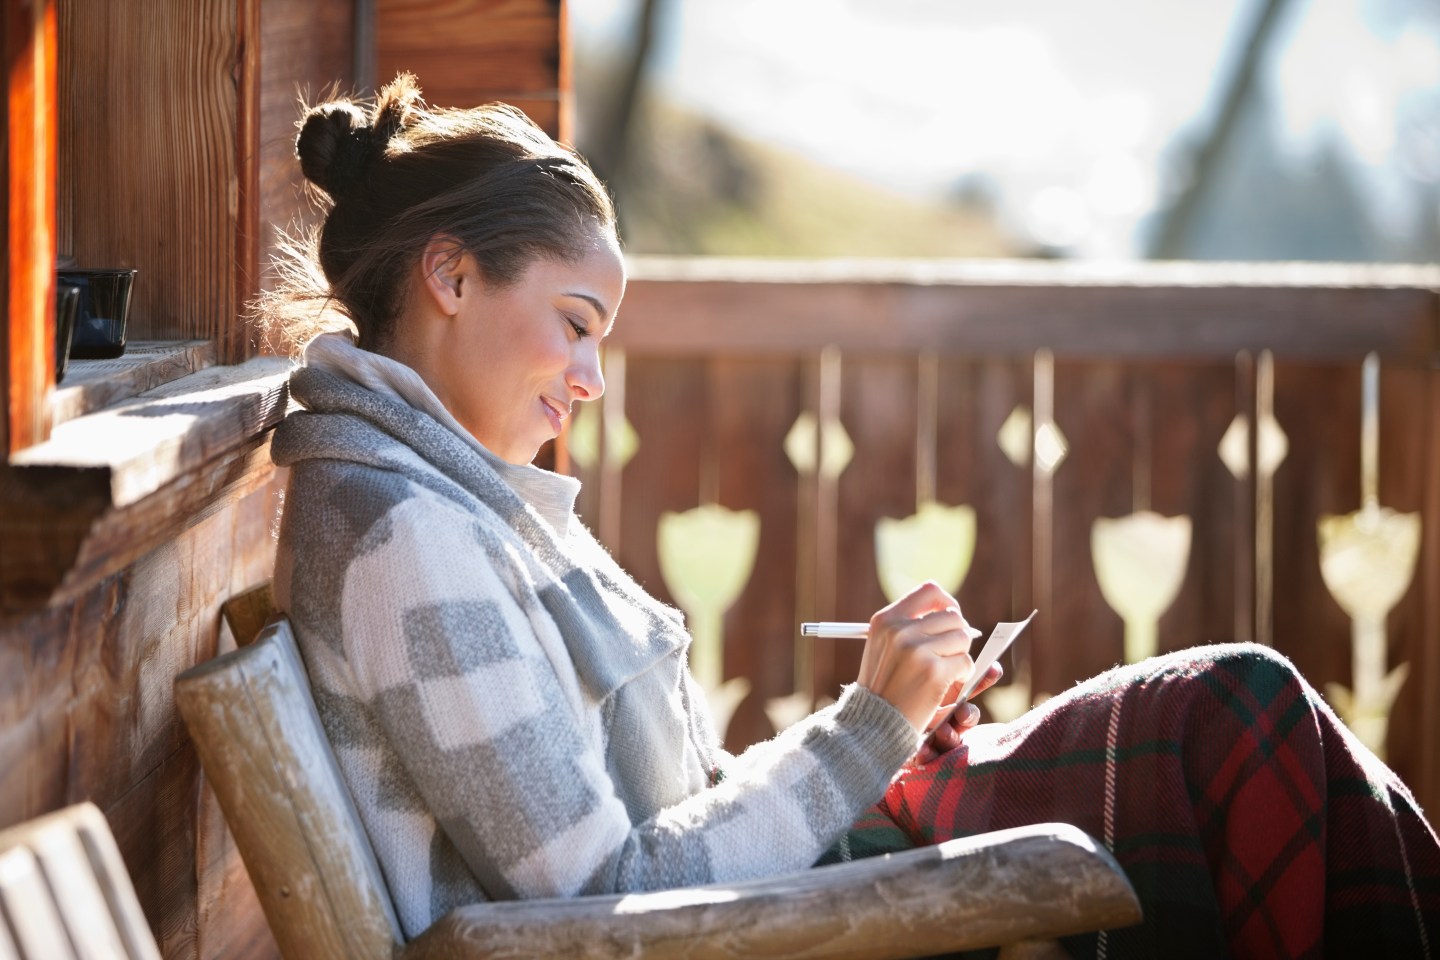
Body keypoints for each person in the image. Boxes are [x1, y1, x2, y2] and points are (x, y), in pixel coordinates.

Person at [263, 74, 1439, 958]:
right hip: (775, 927)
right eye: (576, 323)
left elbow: (656, 827)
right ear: (453, 277)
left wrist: (882, 727)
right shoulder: (402, 539)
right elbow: (605, 895)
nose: (591, 379)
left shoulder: (442, 497)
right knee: (1235, 723)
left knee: (1244, 719)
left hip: (782, 892)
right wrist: (865, 730)